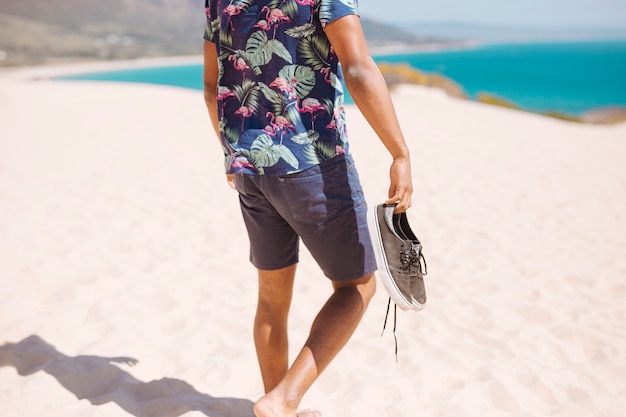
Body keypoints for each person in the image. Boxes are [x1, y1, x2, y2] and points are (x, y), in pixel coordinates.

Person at [202, 1, 413, 416]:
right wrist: (399, 153)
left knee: (271, 301)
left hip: (250, 165)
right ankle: (284, 399)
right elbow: (357, 68)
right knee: (357, 286)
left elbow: (213, 88)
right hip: (313, 162)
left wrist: (232, 151)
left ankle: (279, 410)